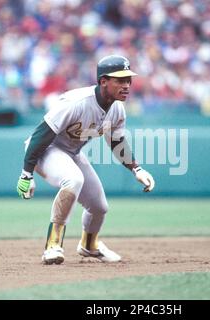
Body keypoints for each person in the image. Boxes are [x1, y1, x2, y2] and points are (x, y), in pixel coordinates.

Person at [16, 55, 155, 264]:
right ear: (103, 81)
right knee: (73, 179)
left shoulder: (117, 109)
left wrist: (136, 169)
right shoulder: (77, 102)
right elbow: (41, 134)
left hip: (71, 153)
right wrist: (26, 174)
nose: (126, 85)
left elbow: (116, 142)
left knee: (99, 207)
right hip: (46, 149)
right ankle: (53, 244)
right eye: (120, 80)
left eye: (128, 80)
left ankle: (89, 245)